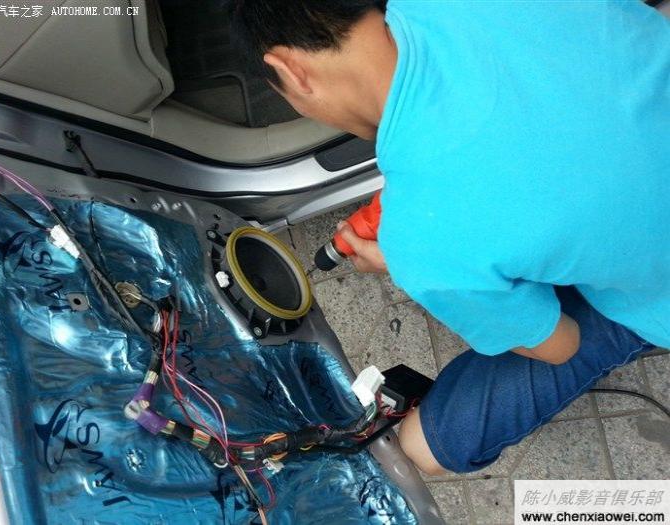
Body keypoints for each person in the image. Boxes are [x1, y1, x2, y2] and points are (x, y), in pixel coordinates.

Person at [229, 0, 670, 475]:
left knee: (425, 446)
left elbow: (562, 344)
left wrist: (416, 260)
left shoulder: (421, 240)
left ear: (290, 71)